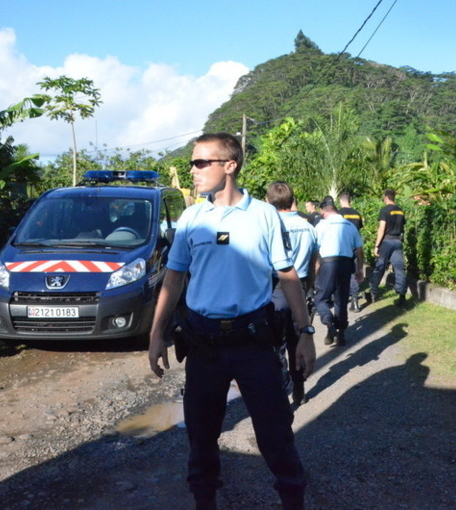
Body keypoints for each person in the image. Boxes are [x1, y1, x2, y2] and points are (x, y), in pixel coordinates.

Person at [148, 133, 315, 510]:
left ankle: (293, 498)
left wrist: (305, 334)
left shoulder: (264, 215)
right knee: (202, 435)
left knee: (275, 432)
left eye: (201, 162)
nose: (193, 170)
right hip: (204, 344)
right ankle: (204, 500)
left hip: (254, 342)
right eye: (192, 162)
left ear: (230, 165)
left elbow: (287, 276)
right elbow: (173, 279)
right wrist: (156, 335)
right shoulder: (192, 217)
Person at [267, 181, 318, 406]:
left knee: (275, 342)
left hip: (275, 288)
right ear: (292, 199)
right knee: (297, 340)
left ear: (269, 201)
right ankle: (299, 388)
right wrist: (310, 286)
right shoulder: (308, 226)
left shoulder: (269, 225)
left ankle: (279, 387)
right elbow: (316, 261)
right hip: (303, 287)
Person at [313, 203, 364, 346]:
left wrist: (315, 271)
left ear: (324, 211)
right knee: (341, 300)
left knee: (321, 298)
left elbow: (315, 251)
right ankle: (340, 334)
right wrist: (359, 270)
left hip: (327, 264)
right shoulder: (350, 226)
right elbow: (359, 250)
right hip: (345, 264)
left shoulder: (321, 226)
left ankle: (329, 322)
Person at [367, 189, 407, 306]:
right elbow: (402, 227)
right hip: (398, 241)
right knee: (399, 269)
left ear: (386, 197)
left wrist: (376, 245)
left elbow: (381, 229)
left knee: (380, 267)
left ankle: (373, 293)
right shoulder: (400, 211)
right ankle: (401, 296)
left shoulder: (385, 210)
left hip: (387, 242)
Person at [337, 192, 364, 311]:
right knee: (354, 275)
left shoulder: (339, 214)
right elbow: (359, 230)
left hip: (342, 249)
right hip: (355, 247)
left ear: (340, 201)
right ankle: (355, 301)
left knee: (340, 276)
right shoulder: (357, 214)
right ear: (350, 201)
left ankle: (341, 300)